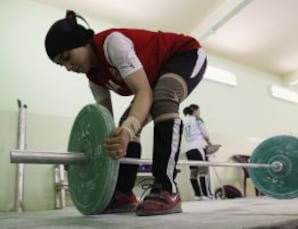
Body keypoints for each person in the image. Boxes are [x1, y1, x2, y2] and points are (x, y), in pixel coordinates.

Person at [44, 10, 207, 216]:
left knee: (163, 99)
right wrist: (93, 154)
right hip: (155, 77)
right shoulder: (94, 79)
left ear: (82, 42)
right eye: (62, 64)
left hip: (186, 54)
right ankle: (123, 193)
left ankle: (167, 189)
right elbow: (106, 125)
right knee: (123, 126)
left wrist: (128, 130)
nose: (68, 67)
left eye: (67, 57)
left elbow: (144, 92)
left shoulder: (112, 44)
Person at [183, 104, 213, 200]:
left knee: (193, 172)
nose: (199, 113)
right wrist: (209, 142)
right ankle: (205, 194)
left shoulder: (185, 121)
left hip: (189, 149)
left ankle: (197, 195)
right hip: (198, 147)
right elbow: (204, 133)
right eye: (199, 111)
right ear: (195, 111)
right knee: (203, 171)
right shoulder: (197, 119)